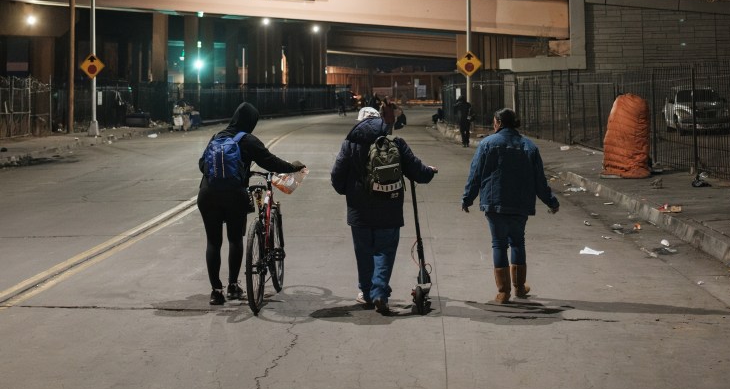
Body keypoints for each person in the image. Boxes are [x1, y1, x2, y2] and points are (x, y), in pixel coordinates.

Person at [330, 106, 437, 315]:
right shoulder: (395, 142)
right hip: (389, 208)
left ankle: (367, 293)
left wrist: (349, 192)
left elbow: (337, 177)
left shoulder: (350, 144)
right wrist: (430, 172)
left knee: (364, 253)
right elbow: (417, 171)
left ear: (359, 123)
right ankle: (380, 292)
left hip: (359, 211)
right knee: (384, 251)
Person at [198, 102, 305, 307]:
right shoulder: (247, 140)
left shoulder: (217, 137)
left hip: (208, 195)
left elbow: (202, 165)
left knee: (213, 242)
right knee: (234, 239)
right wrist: (292, 167)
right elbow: (270, 162)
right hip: (234, 195)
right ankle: (232, 286)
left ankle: (216, 292)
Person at [461, 108, 559, 304]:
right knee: (517, 242)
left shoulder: (487, 144)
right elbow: (540, 181)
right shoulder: (529, 146)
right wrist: (551, 201)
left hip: (494, 202)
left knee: (499, 243)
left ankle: (503, 292)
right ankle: (520, 287)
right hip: (520, 204)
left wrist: (467, 198)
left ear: (498, 123)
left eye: (494, 122)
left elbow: (476, 174)